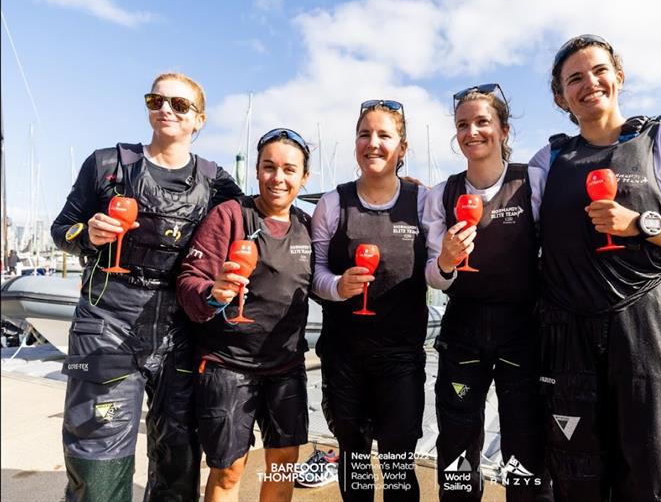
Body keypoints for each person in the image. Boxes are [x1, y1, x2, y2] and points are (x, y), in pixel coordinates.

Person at [531, 34, 661, 502]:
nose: (589, 84)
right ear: (561, 97)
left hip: (646, 329)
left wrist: (641, 223)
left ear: (618, 76)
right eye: (574, 79)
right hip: (567, 335)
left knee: (651, 478)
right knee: (574, 477)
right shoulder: (549, 159)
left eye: (599, 71)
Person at [51, 72, 242, 502]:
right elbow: (61, 229)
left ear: (199, 120)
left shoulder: (217, 183)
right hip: (106, 321)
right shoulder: (106, 165)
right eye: (156, 100)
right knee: (97, 448)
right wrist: (87, 234)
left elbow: (255, 226)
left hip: (178, 328)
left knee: (178, 452)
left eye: (179, 105)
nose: (166, 110)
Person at [424, 84, 552, 501]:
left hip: (523, 331)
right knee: (457, 443)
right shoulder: (442, 194)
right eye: (463, 124)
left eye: (482, 122)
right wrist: (444, 260)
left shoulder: (531, 181)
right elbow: (434, 277)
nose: (472, 132)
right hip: (464, 330)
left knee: (525, 441)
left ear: (503, 129)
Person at [176, 128, 313, 502]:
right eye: (269, 167)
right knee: (228, 469)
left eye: (289, 169)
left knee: (284, 462)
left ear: (304, 177)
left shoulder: (307, 227)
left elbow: (326, 282)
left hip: (285, 365)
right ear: (256, 171)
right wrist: (213, 292)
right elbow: (189, 282)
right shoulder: (230, 216)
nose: (278, 178)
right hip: (227, 363)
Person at [311, 99, 428, 501]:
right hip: (344, 356)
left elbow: (439, 271)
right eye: (365, 134)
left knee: (398, 465)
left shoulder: (423, 202)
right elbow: (315, 274)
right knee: (355, 462)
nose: (373, 143)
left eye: (384, 135)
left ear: (402, 146)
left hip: (401, 356)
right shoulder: (332, 203)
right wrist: (337, 287)